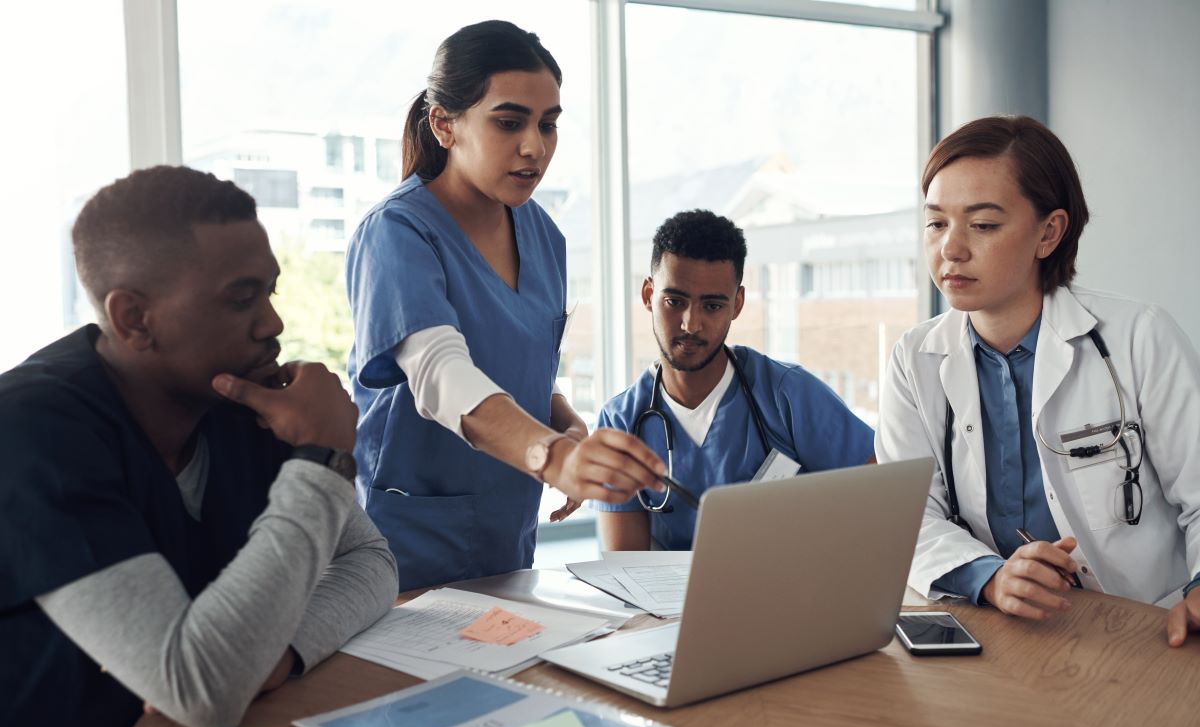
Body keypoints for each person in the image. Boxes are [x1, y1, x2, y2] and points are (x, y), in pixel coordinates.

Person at [0, 166, 398, 727]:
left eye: (271, 292)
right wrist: (320, 457)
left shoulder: (247, 401)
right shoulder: (32, 431)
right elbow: (202, 689)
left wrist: (286, 648)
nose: (271, 323)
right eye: (241, 299)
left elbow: (371, 560)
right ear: (133, 319)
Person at [346, 20, 663, 590]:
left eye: (548, 125)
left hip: (506, 537)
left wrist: (563, 422)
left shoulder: (545, 237)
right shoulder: (397, 232)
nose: (534, 147)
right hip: (405, 546)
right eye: (509, 122)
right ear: (444, 124)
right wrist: (554, 458)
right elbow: (443, 374)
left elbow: (518, 362)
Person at [876, 115, 1200, 646]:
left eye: (981, 225)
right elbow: (906, 515)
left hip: (1145, 628)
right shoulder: (916, 358)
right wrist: (990, 575)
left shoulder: (1140, 336)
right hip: (1004, 630)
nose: (950, 249)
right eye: (936, 223)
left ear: (1049, 232)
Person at [591, 209, 876, 551]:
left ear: (737, 304)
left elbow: (880, 499)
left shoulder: (789, 395)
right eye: (674, 301)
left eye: (711, 306)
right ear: (649, 295)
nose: (690, 324)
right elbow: (626, 572)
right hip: (670, 603)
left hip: (785, 594)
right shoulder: (621, 421)